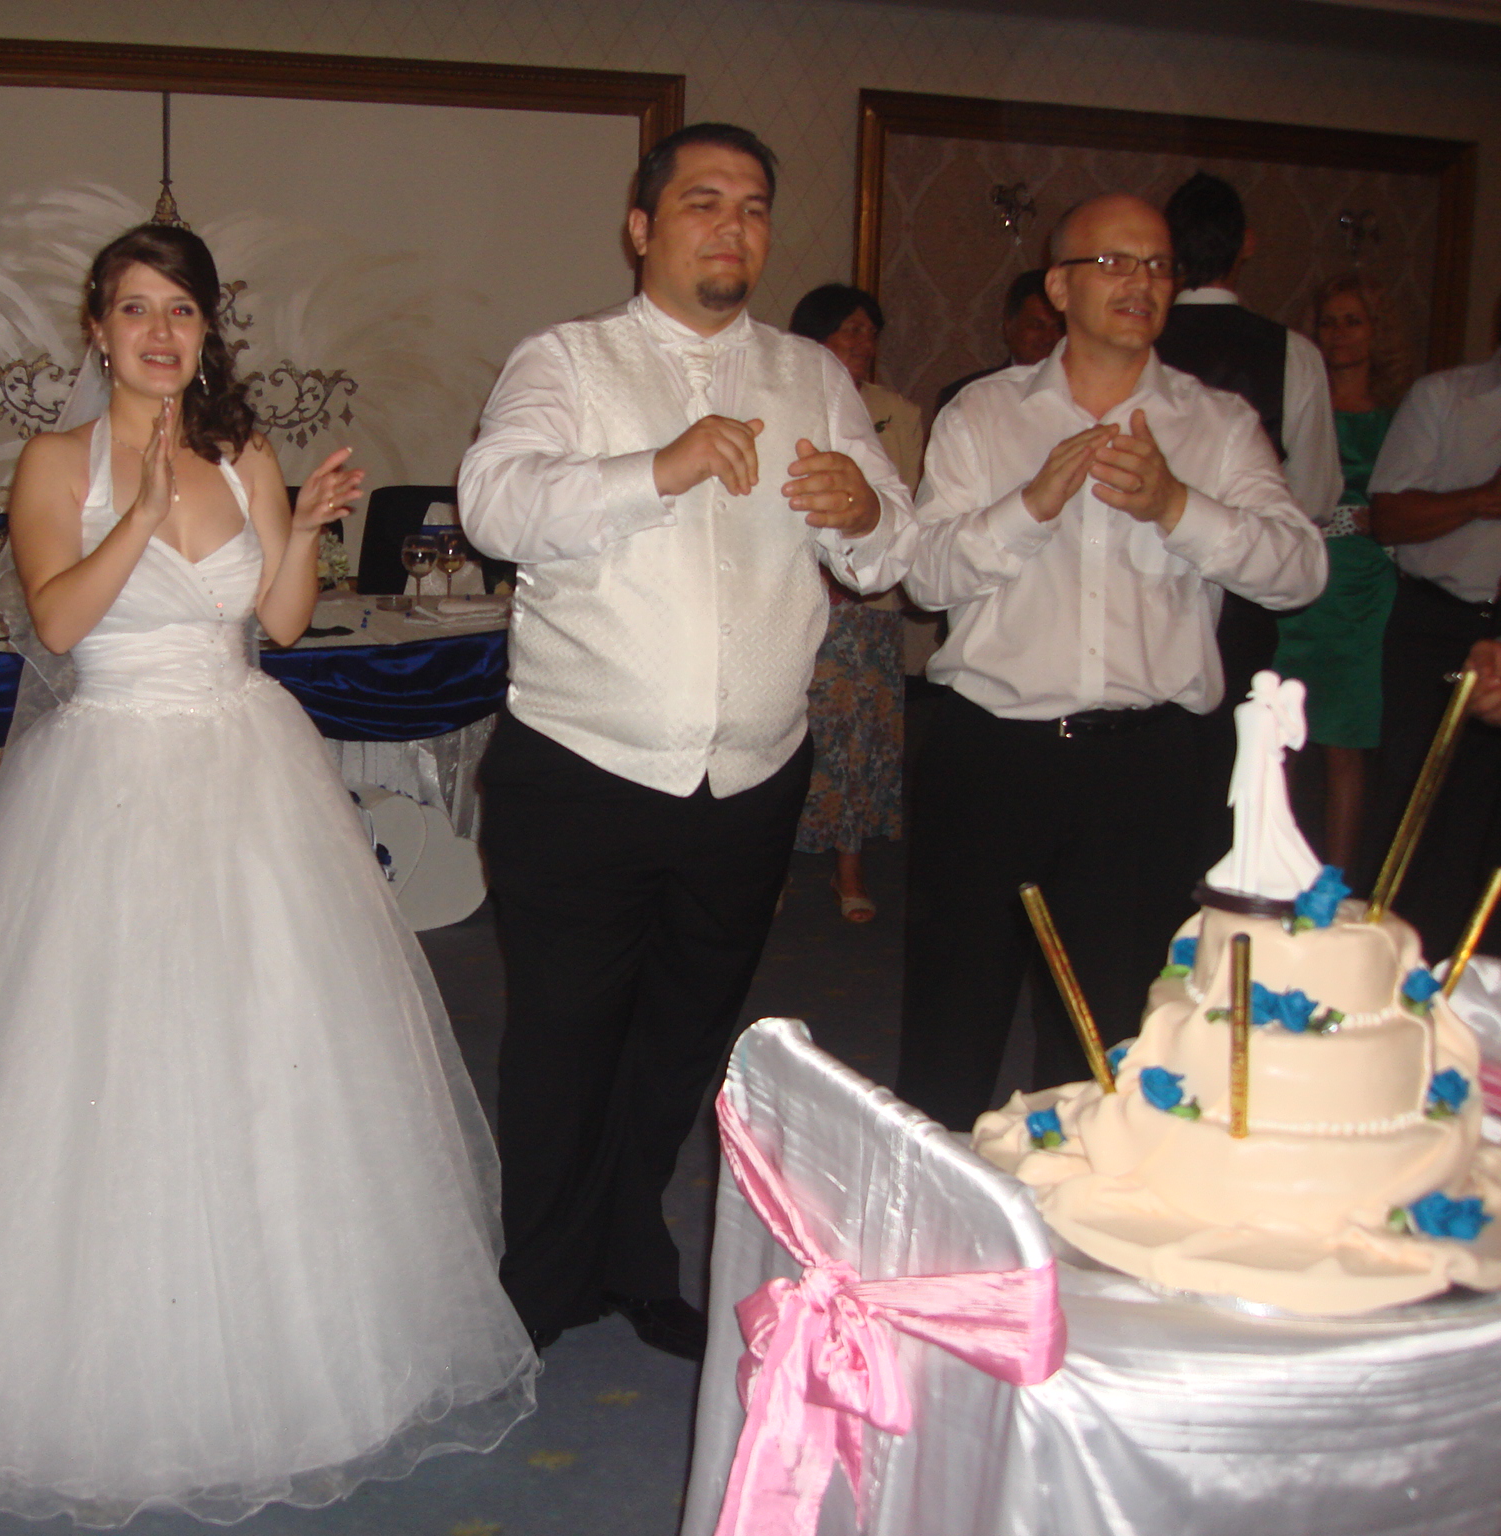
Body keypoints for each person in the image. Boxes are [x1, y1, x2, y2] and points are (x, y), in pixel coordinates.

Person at [0, 223, 537, 1524]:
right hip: (107, 768)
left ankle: (304, 1358)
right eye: (135, 309)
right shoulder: (52, 461)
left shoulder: (247, 452)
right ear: (98, 329)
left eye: (181, 310)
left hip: (245, 765)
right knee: (96, 1060)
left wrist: (303, 527)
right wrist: (137, 507)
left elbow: (277, 621)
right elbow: (58, 619)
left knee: (267, 1047)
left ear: (206, 329)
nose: (160, 333)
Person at [459, 124, 914, 1357]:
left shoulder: (811, 375)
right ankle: (542, 1277)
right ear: (640, 227)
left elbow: (890, 548)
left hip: (751, 778)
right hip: (583, 770)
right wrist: (652, 469)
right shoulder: (565, 360)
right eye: (701, 202)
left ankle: (633, 1258)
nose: (731, 227)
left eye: (752, 207)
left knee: (679, 1042)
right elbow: (494, 505)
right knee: (563, 1038)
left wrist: (864, 511)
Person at [896, 193, 1325, 1132]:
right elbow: (923, 577)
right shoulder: (985, 412)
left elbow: (1302, 570)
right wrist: (1029, 506)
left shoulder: (1216, 424)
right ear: (1059, 286)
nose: (1142, 282)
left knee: (1109, 1041)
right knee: (951, 1024)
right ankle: (925, 1215)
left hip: (1148, 768)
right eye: (1115, 263)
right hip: (992, 757)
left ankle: (1083, 1214)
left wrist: (1178, 507)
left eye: (1159, 265)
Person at [1157, 171, 1341, 870]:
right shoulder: (1293, 353)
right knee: (1230, 778)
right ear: (1247, 246)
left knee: (1146, 772)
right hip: (1242, 602)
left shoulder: (1134, 339)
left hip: (1142, 588)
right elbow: (1312, 498)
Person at [1363, 331, 1501, 960]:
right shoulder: (1445, 396)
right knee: (1415, 817)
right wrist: (1482, 499)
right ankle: (1396, 973)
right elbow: (1388, 517)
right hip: (1439, 625)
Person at [1269, 275, 1411, 871]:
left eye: (1353, 321)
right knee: (1276, 738)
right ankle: (1272, 869)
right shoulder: (1297, 408)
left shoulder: (1399, 418)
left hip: (1359, 589)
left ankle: (1337, 886)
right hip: (1297, 580)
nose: (1339, 334)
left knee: (1343, 742)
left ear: (1377, 332)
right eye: (1329, 322)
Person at [786, 283, 917, 921]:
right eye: (851, 330)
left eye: (871, 332)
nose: (864, 343)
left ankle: (850, 864)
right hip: (797, 602)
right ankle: (772, 860)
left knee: (863, 734)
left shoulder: (899, 412)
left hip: (870, 606)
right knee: (793, 733)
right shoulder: (786, 402)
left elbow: (907, 504)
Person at [934, 268, 1063, 412]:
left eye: (1059, 327)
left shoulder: (1081, 394)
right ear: (1008, 327)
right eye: (1036, 326)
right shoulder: (965, 397)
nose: (1048, 337)